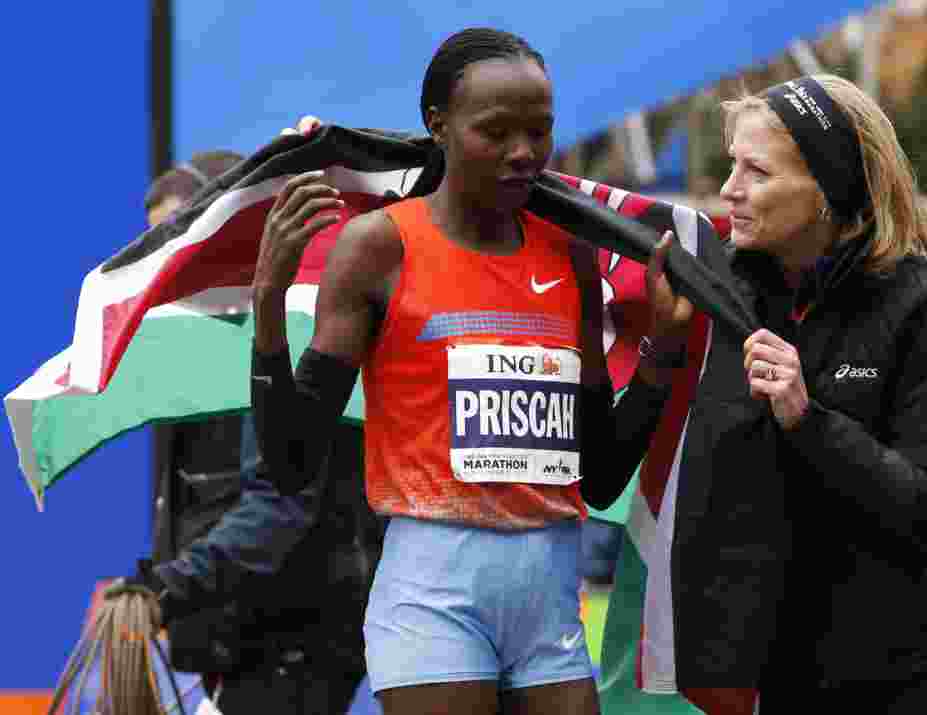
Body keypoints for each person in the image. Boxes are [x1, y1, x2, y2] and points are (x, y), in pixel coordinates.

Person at [249, 27, 692, 715]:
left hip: (550, 596)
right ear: (440, 127)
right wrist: (269, 306)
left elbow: (600, 472)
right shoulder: (380, 248)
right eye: (496, 131)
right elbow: (290, 459)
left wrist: (663, 351)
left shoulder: (570, 255)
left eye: (539, 131)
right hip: (434, 593)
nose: (524, 152)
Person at [652, 74, 927, 712]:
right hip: (791, 659)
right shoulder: (722, 290)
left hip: (926, 663)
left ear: (827, 192)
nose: (730, 189)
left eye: (757, 172)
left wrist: (806, 419)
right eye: (733, 164)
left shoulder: (923, 305)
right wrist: (658, 346)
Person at [125, 150, 383, 715]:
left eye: (181, 236)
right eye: (156, 244)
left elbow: (279, 507)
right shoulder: (202, 343)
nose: (166, 260)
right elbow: (205, 504)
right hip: (240, 642)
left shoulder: (286, 331)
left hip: (295, 642)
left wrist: (164, 589)